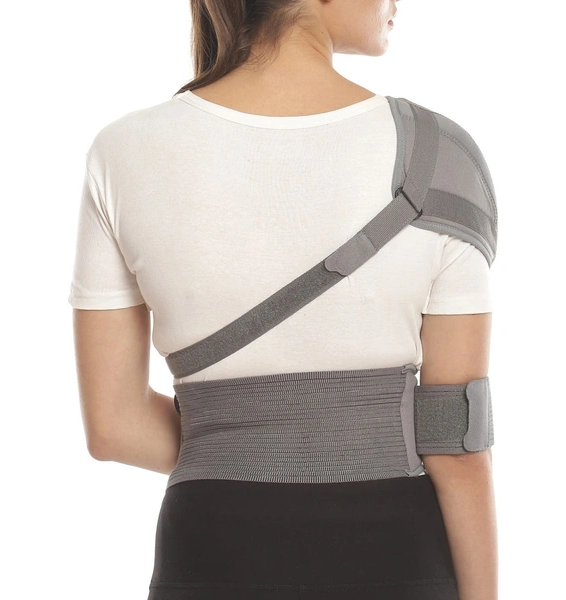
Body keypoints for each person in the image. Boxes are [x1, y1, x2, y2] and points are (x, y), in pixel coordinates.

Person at [69, 1, 498, 599]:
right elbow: (456, 447)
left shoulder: (122, 151)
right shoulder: (438, 159)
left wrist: (239, 442)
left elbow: (114, 428)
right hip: (395, 553)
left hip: (209, 550)